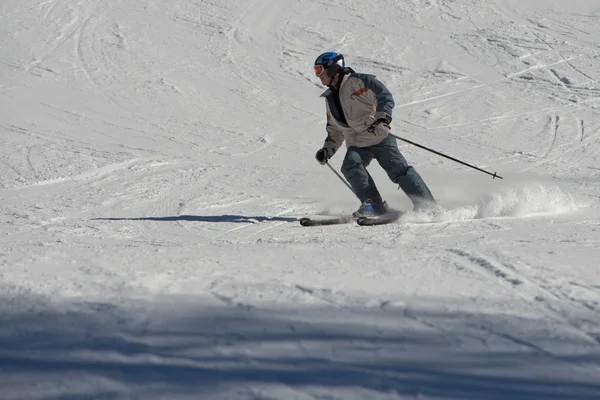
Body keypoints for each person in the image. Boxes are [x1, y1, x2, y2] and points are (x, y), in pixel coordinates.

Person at [313, 51, 436, 217]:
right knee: (350, 166)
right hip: (357, 143)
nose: (318, 75)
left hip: (379, 135)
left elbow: (385, 97)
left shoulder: (360, 81)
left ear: (333, 68)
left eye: (319, 70)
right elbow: (335, 129)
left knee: (398, 169)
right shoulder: (329, 99)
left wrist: (382, 118)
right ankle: (373, 205)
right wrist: (327, 150)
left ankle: (427, 206)